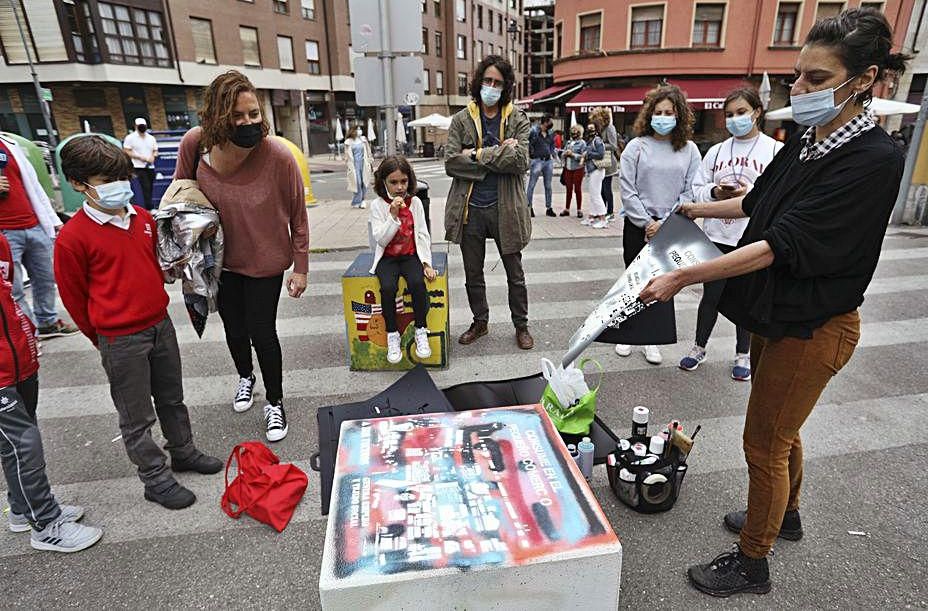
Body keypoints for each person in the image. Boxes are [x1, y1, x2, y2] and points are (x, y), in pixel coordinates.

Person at [639, 8, 908, 597]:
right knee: (783, 430)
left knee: (764, 441)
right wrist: (694, 211)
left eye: (816, 79)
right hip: (778, 314)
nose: (799, 90)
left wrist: (686, 276)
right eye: (797, 76)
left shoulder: (872, 160)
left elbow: (776, 245)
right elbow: (756, 204)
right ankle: (784, 515)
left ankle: (752, 561)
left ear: (862, 80)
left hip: (815, 326)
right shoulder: (808, 142)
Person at [56, 135, 223, 510]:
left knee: (171, 397)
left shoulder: (143, 219)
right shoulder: (72, 238)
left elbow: (159, 266)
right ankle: (155, 477)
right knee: (136, 415)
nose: (118, 186)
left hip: (159, 324)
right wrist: (100, 337)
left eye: (120, 176)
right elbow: (74, 298)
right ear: (78, 184)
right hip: (119, 337)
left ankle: (183, 451)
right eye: (105, 180)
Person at [175, 70, 309, 443]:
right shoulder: (196, 145)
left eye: (253, 114)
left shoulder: (277, 155)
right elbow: (179, 198)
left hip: (266, 261)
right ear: (219, 116)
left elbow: (299, 216)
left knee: (262, 331)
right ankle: (245, 378)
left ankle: (276, 402)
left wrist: (301, 268)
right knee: (234, 327)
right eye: (238, 116)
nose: (248, 122)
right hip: (220, 262)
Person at [0, 231, 103, 552]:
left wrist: (27, 337)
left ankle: (22, 507)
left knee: (16, 445)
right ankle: (45, 524)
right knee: (23, 445)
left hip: (18, 357)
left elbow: (9, 295)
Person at [683, 88, 784, 381]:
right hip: (716, 235)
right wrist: (716, 192)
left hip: (752, 236)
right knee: (710, 297)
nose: (735, 119)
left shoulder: (774, 150)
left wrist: (747, 196)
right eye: (729, 115)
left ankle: (743, 353)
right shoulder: (716, 151)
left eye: (741, 112)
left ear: (756, 112)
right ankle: (698, 347)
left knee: (747, 298)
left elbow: (778, 194)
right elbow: (698, 188)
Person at [444, 55, 534, 350]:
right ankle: (480, 322)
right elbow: (451, 163)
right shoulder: (461, 119)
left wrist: (476, 154)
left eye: (497, 82)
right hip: (470, 209)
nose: (491, 87)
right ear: (479, 82)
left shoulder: (518, 118)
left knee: (515, 274)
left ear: (505, 86)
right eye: (487, 81)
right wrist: (498, 154)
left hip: (505, 208)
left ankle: (521, 325)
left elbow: (520, 160)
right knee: (473, 272)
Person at [617, 84, 701, 365]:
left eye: (669, 112)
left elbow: (691, 191)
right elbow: (627, 190)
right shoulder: (636, 147)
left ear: (679, 116)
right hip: (637, 225)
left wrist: (665, 224)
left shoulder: (689, 150)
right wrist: (646, 222)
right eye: (658, 112)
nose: (663, 117)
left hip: (671, 226)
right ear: (649, 114)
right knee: (633, 280)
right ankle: (628, 333)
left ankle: (652, 338)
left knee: (662, 281)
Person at [0, 134, 78, 341]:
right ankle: (27, 335)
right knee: (12, 288)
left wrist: (53, 220)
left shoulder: (9, 145)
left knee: (45, 278)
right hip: (3, 232)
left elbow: (34, 187)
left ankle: (47, 322)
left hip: (32, 224)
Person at [368, 155, 436, 364]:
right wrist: (393, 216)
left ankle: (421, 329)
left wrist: (426, 263)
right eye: (394, 182)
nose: (399, 187)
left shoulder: (414, 202)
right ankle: (392, 334)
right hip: (387, 258)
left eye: (403, 182)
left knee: (417, 283)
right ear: (384, 182)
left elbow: (422, 234)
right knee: (388, 288)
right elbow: (381, 238)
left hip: (409, 256)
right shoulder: (377, 205)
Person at [590, 107, 622, 221]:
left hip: (608, 163)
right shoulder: (600, 128)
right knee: (601, 189)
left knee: (607, 188)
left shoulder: (609, 128)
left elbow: (613, 145)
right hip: (601, 162)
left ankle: (610, 212)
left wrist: (600, 145)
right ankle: (602, 211)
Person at [123, 117, 158, 210]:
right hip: (138, 166)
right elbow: (126, 151)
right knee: (145, 187)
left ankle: (149, 205)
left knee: (150, 186)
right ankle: (148, 208)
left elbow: (155, 150)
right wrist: (140, 157)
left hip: (150, 166)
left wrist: (153, 157)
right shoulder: (130, 138)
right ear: (135, 126)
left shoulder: (151, 138)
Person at [526, 114, 556, 217]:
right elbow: (527, 142)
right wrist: (531, 154)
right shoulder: (534, 131)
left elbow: (552, 144)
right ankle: (529, 207)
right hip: (537, 160)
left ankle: (549, 207)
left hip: (548, 161)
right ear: (544, 122)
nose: (551, 124)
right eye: (549, 122)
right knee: (532, 185)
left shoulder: (550, 132)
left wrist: (552, 154)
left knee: (548, 186)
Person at [581, 123, 608, 229]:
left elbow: (601, 154)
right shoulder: (591, 140)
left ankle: (603, 219)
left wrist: (588, 154)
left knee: (596, 194)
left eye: (592, 128)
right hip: (593, 170)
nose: (590, 130)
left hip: (597, 169)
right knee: (593, 194)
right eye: (589, 128)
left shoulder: (597, 140)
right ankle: (591, 217)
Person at [559, 124, 587, 217]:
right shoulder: (568, 143)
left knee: (577, 189)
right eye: (572, 132)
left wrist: (573, 155)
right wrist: (564, 154)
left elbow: (584, 157)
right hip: (568, 168)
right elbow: (562, 154)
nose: (573, 133)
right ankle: (567, 209)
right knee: (568, 189)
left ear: (579, 133)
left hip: (578, 168)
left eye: (576, 132)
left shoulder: (582, 143)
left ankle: (579, 209)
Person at [345, 125, 374, 209]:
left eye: (360, 129)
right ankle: (357, 201)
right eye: (357, 129)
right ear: (353, 131)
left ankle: (362, 200)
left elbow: (368, 151)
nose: (359, 131)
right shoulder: (348, 142)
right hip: (354, 165)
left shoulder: (363, 139)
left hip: (364, 164)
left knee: (364, 182)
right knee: (357, 183)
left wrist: (370, 160)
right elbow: (347, 155)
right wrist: (347, 164)